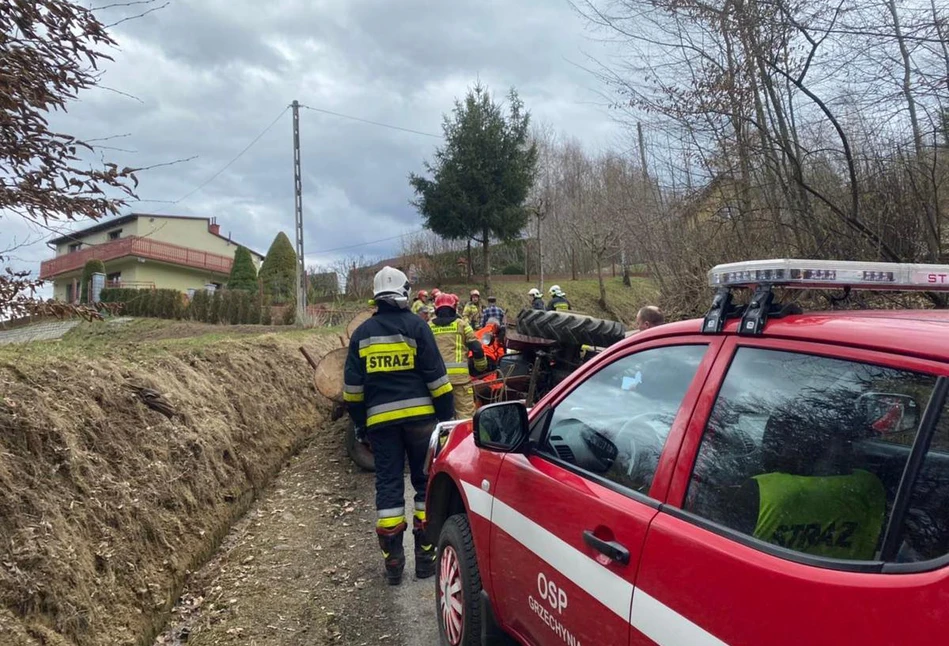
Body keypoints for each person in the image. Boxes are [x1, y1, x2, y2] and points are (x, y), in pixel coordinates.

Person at [343, 267, 454, 586]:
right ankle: (425, 557)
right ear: (404, 292)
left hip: (381, 427)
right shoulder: (418, 327)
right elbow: (439, 382)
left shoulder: (361, 334)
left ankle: (393, 563)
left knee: (389, 485)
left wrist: (363, 426)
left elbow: (352, 391)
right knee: (424, 484)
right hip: (422, 424)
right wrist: (445, 423)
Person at [429, 292, 487, 420]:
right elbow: (476, 348)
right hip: (460, 380)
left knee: (440, 417)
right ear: (454, 308)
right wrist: (481, 366)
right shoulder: (462, 325)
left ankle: (444, 439)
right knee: (465, 416)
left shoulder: (429, 327)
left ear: (435, 309)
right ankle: (464, 439)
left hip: (437, 380)